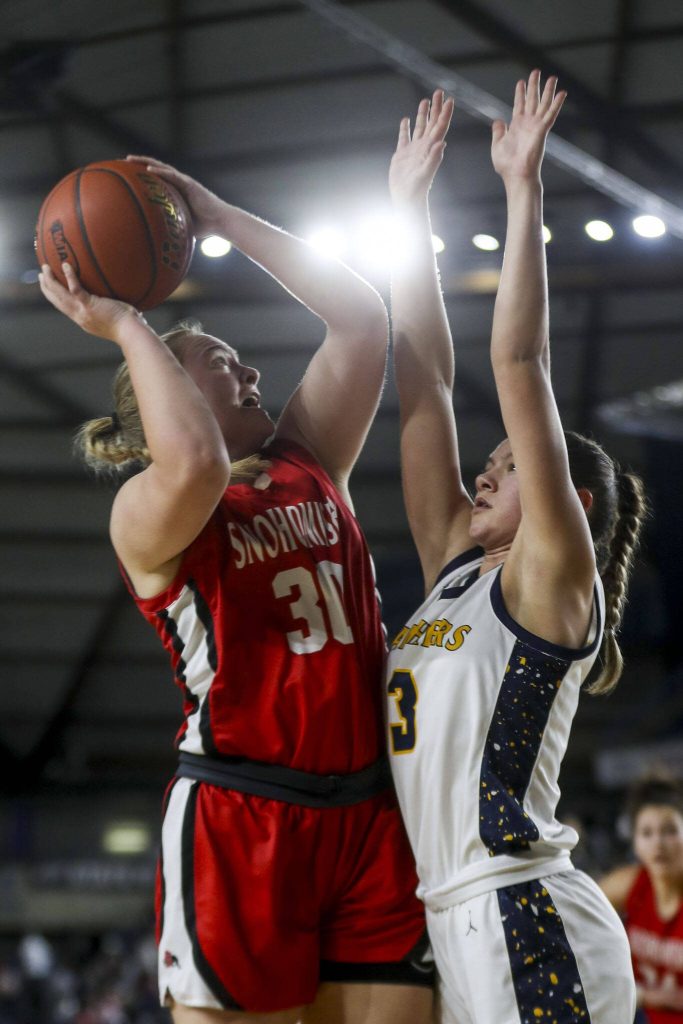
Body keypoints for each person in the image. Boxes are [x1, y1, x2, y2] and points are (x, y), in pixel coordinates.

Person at [38, 156, 433, 1024]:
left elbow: (363, 319)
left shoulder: (308, 459)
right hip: (244, 815)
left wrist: (220, 217)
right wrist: (128, 325)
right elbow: (197, 461)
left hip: (369, 813)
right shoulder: (149, 512)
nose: (251, 375)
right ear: (171, 390)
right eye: (224, 363)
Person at [386, 73, 647, 1024]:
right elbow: (421, 384)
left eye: (503, 466)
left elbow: (515, 364)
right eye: (486, 465)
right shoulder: (456, 566)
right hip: (447, 920)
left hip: (526, 909)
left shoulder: (551, 581)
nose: (483, 476)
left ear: (565, 504)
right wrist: (407, 212)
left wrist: (521, 186)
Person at [601, 773, 683, 1021]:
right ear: (635, 843)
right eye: (647, 833)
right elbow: (571, 908)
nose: (658, 843)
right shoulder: (630, 884)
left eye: (670, 830)